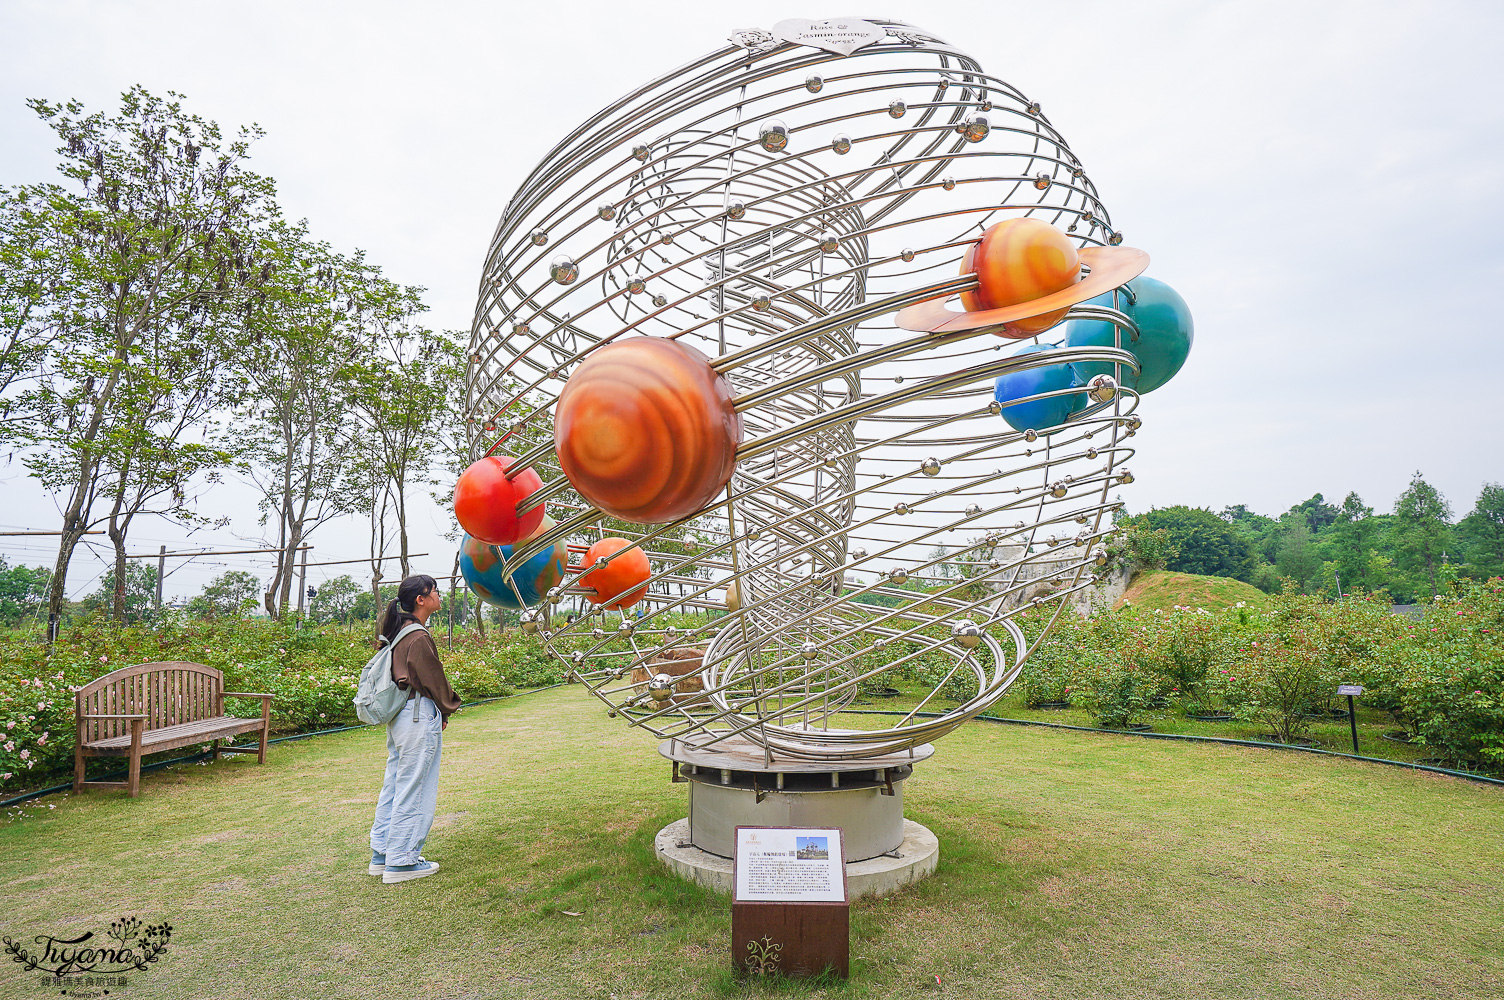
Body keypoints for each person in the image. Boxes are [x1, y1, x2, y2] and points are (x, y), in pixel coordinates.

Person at [367, 574, 461, 883]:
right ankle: (402, 861)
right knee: (414, 787)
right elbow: (433, 679)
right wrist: (448, 708)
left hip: (402, 716)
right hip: (418, 714)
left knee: (395, 783)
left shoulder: (400, 631)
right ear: (421, 600)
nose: (438, 595)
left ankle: (383, 853)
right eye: (433, 591)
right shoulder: (418, 636)